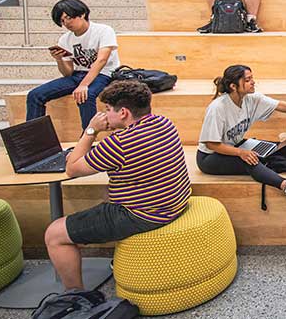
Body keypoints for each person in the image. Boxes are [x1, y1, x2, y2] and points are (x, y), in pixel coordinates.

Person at [43, 81, 190, 293]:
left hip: (144, 215)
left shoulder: (119, 143)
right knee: (106, 194)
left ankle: (75, 295)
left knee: (54, 234)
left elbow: (72, 168)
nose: (104, 115)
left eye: (107, 110)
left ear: (123, 113)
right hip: (173, 202)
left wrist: (91, 130)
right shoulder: (164, 123)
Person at [197, 65, 286, 203]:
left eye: (252, 78)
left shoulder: (250, 99)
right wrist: (241, 153)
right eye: (247, 80)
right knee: (249, 159)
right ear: (233, 86)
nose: (253, 82)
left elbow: (280, 105)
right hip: (209, 158)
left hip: (234, 146)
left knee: (273, 147)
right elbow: (211, 144)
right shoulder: (218, 108)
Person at [27, 0, 120, 131]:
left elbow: (101, 60)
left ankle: (88, 140)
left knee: (86, 96)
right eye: (62, 20)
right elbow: (68, 73)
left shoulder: (103, 30)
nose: (66, 23)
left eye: (69, 18)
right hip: (78, 75)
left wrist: (83, 85)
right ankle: (34, 140)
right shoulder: (65, 39)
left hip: (103, 74)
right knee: (35, 95)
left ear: (82, 14)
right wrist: (59, 59)